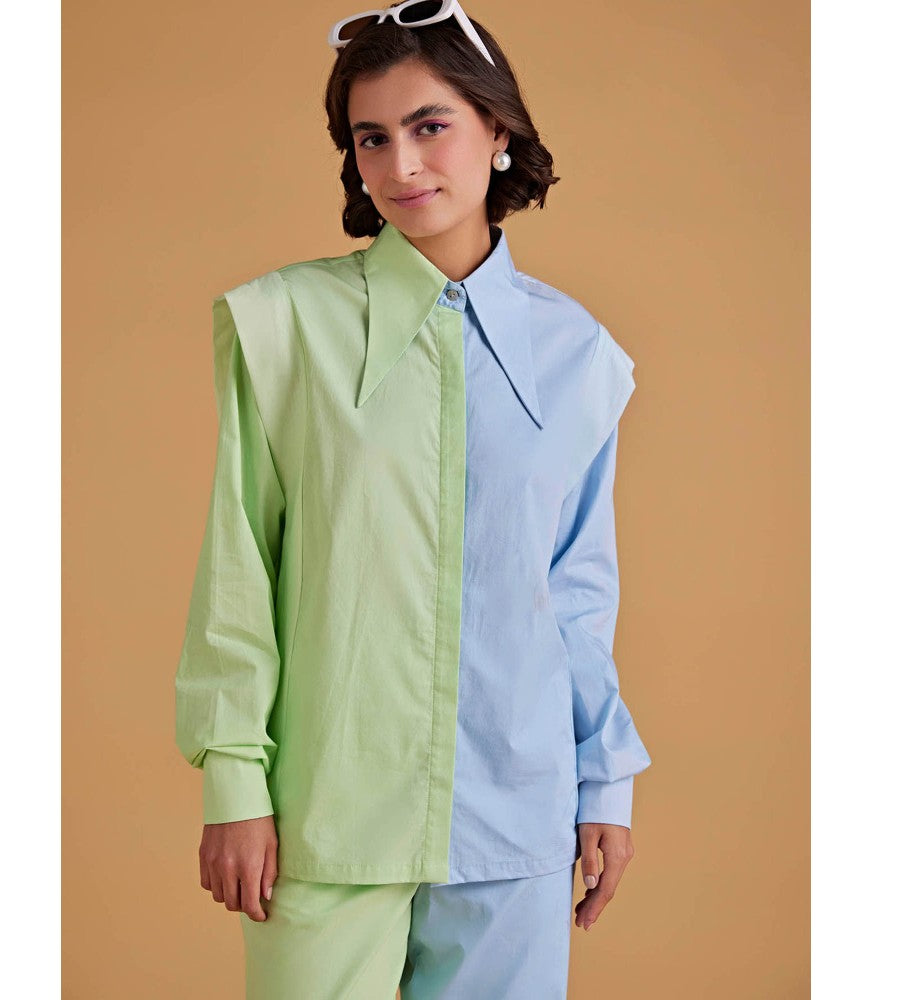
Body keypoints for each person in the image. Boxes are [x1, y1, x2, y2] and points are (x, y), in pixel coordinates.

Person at [174, 2, 653, 996]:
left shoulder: (577, 355)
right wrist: (233, 781)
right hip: (326, 814)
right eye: (371, 138)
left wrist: (603, 777)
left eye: (430, 126)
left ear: (496, 127)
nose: (401, 165)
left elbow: (574, 591)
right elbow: (240, 566)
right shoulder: (283, 326)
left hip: (516, 818)